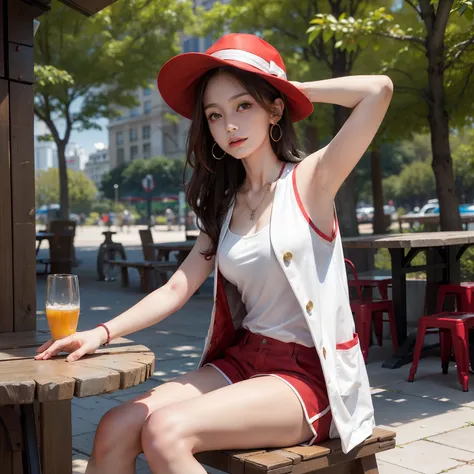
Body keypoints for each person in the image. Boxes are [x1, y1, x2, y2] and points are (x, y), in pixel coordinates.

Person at [34, 33, 393, 474]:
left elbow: (378, 90)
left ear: (273, 108)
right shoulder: (224, 207)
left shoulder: (310, 180)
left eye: (244, 105)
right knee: (116, 424)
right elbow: (175, 289)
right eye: (216, 115)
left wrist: (285, 87)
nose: (231, 126)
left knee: (166, 431)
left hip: (305, 375)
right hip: (243, 361)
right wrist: (100, 333)